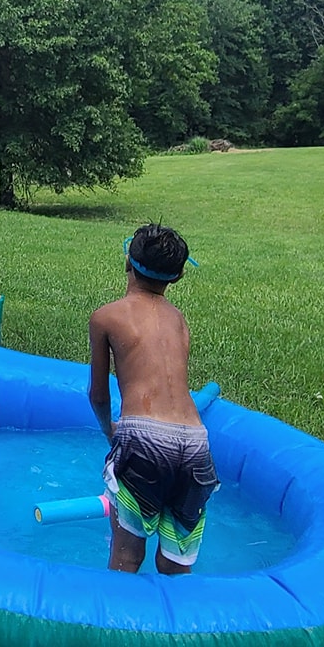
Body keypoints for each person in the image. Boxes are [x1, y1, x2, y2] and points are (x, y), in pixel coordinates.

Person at [88, 224, 216, 574]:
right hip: (196, 443)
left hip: (144, 438)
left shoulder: (106, 316)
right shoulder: (178, 320)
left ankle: (114, 612)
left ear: (127, 261)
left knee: (127, 557)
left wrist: (109, 430)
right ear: (177, 276)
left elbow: (98, 395)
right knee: (175, 565)